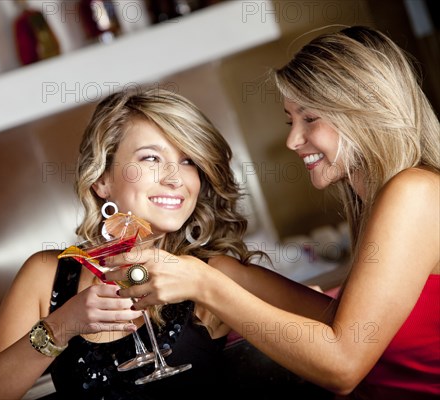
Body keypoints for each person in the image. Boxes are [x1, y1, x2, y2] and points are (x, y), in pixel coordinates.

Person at [108, 26, 440, 399]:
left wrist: (207, 285)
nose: (292, 140)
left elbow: (343, 363)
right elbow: (340, 323)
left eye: (309, 118)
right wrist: (220, 271)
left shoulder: (415, 191)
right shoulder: (381, 200)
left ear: (365, 109)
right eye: (290, 121)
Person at [0, 87, 270, 399]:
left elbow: (318, 332)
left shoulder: (211, 273)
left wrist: (215, 288)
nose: (175, 178)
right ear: (102, 180)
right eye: (151, 157)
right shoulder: (47, 275)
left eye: (189, 160)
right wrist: (63, 324)